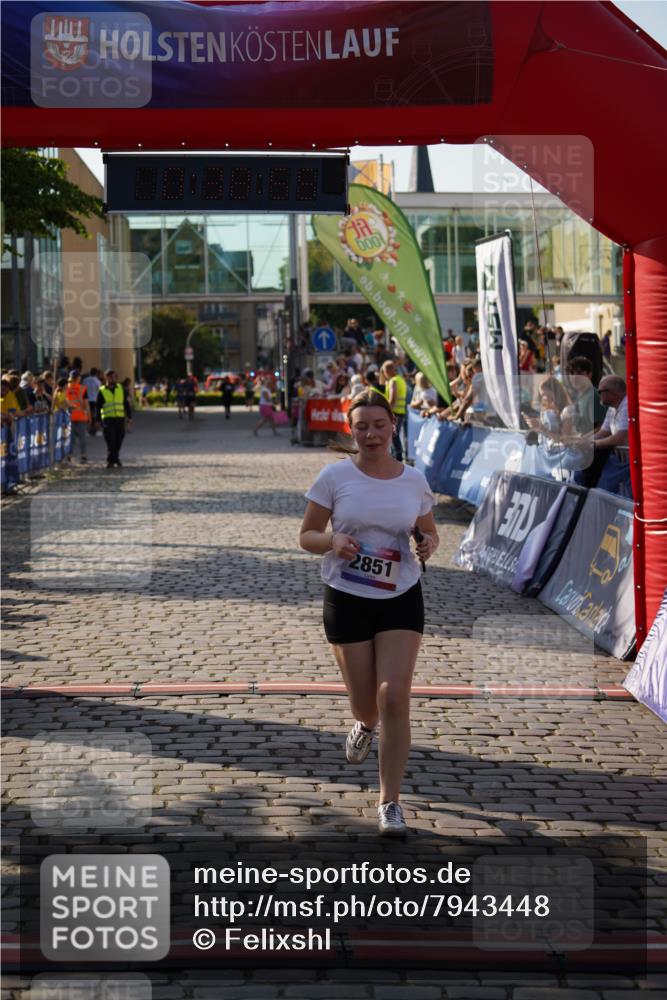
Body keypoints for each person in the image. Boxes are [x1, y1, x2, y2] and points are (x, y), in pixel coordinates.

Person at [299, 390, 439, 837]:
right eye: (362, 426)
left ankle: (390, 803)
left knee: (394, 695)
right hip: (347, 595)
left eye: (379, 425)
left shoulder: (414, 480)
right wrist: (333, 542)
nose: (371, 434)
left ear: (393, 426)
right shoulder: (334, 477)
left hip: (400, 593)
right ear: (350, 429)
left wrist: (429, 544)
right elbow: (306, 535)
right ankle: (362, 724)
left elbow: (430, 532)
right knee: (367, 704)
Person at [594, 376, 631, 495]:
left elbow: (621, 438)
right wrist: (582, 442)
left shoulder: (627, 405)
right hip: (623, 461)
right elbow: (603, 432)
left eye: (600, 392)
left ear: (612, 393)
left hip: (633, 463)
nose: (598, 394)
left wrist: (594, 444)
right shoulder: (612, 408)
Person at [97, 369, 131, 468]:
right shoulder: (102, 390)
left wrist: (129, 417)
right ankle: (111, 460)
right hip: (108, 419)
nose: (113, 378)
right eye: (110, 377)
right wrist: (98, 420)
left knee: (119, 439)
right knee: (110, 440)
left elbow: (126, 403)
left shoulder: (121, 388)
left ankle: (114, 458)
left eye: (114, 376)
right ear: (106, 378)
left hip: (120, 418)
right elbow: (98, 406)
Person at [380, 359, 408, 462]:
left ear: (388, 370)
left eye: (384, 372)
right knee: (394, 435)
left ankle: (398, 459)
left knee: (394, 436)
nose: (384, 374)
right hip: (400, 412)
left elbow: (392, 399)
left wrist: (386, 411)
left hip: (394, 412)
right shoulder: (400, 379)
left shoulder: (393, 381)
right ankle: (397, 458)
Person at [65, 370, 90, 463]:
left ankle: (69, 455)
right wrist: (89, 416)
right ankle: (83, 455)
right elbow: (86, 404)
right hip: (81, 416)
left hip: (69, 416)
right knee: (82, 437)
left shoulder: (66, 388)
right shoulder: (83, 388)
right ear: (78, 378)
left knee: (70, 438)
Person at [83, 367, 102, 435]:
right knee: (94, 415)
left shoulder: (85, 380)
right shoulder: (97, 381)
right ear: (96, 373)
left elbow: (82, 389)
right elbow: (99, 390)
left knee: (87, 415)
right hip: (94, 399)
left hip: (86, 399)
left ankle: (87, 430)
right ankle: (94, 430)